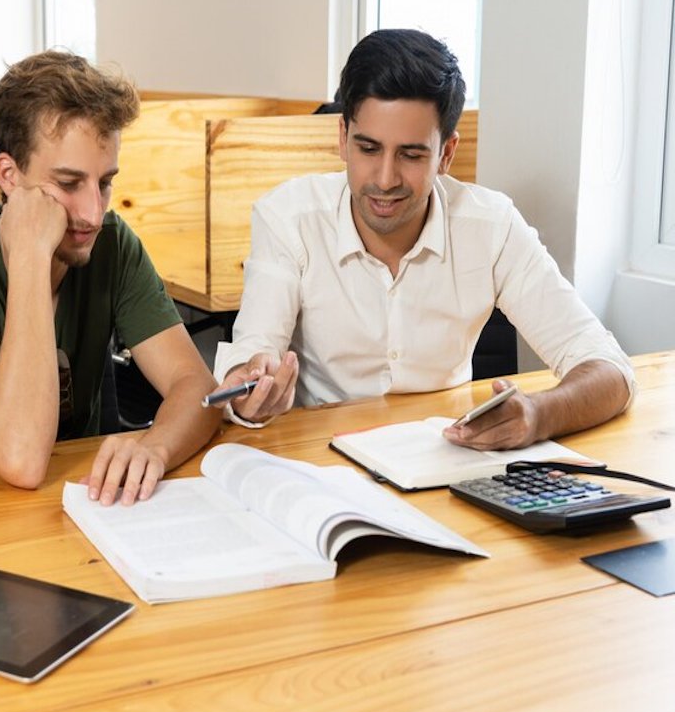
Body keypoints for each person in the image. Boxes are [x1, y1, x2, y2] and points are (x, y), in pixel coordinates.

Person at [211, 28, 634, 450]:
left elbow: (609, 369)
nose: (385, 179)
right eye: (369, 149)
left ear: (446, 154)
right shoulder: (288, 217)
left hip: (447, 456)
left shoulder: (492, 225)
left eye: (411, 155)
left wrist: (540, 414)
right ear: (343, 139)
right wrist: (249, 394)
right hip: (320, 460)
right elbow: (254, 351)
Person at [0, 50, 218, 505]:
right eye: (68, 184)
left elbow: (197, 387)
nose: (92, 213)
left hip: (80, 504)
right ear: (9, 175)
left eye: (105, 182)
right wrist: (30, 255)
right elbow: (20, 459)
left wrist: (154, 447)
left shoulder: (112, 242)